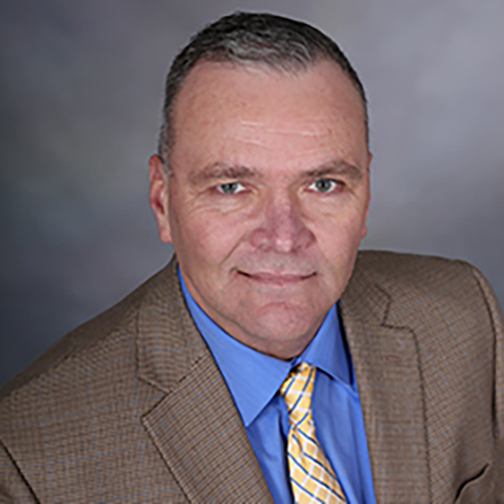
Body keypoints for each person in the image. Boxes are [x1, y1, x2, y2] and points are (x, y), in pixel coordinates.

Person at [0, 11, 502, 504]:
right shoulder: (29, 457)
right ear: (162, 201)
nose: (283, 238)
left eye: (323, 184)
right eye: (232, 187)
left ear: (365, 192)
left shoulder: (464, 319)